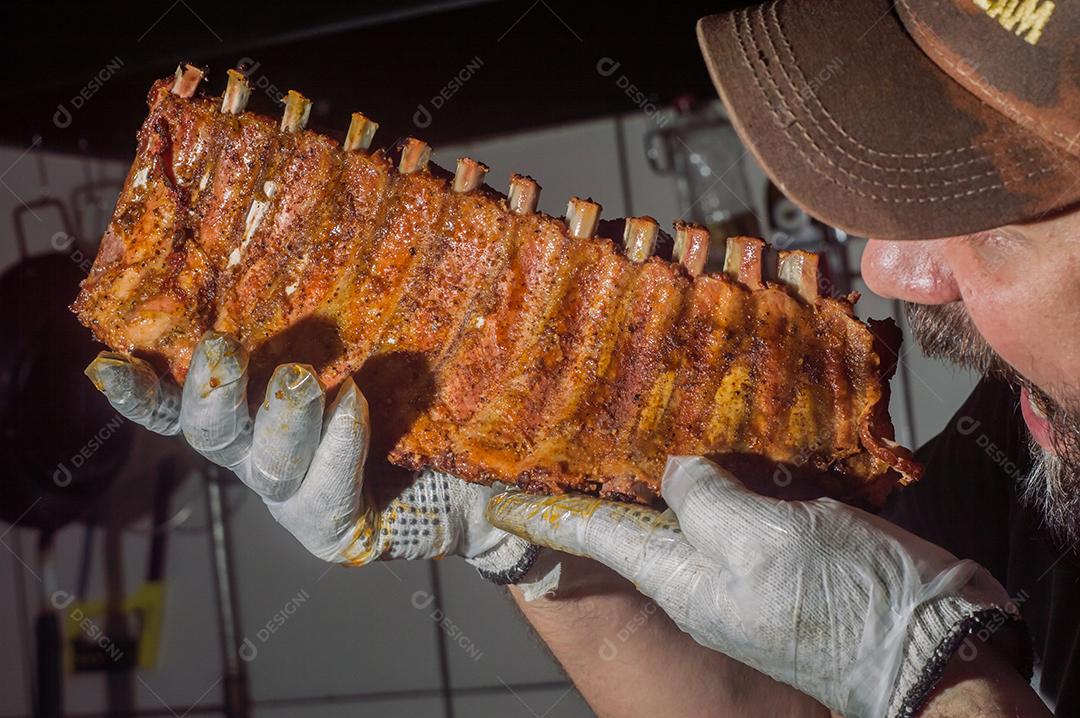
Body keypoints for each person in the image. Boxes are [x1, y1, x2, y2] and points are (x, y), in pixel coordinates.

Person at [87, 0, 1079, 715]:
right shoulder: (1031, 447)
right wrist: (538, 546)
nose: (890, 269)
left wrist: (931, 674)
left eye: (1000, 224)